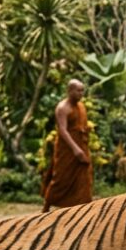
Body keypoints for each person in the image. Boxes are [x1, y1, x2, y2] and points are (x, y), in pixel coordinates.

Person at [40, 79, 93, 211]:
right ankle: (47, 204)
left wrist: (83, 146)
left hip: (81, 144)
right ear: (70, 91)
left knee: (84, 177)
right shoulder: (62, 108)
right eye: (78, 90)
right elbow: (62, 130)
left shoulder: (81, 106)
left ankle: (82, 207)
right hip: (67, 148)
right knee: (60, 178)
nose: (81, 93)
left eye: (82, 90)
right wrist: (76, 150)